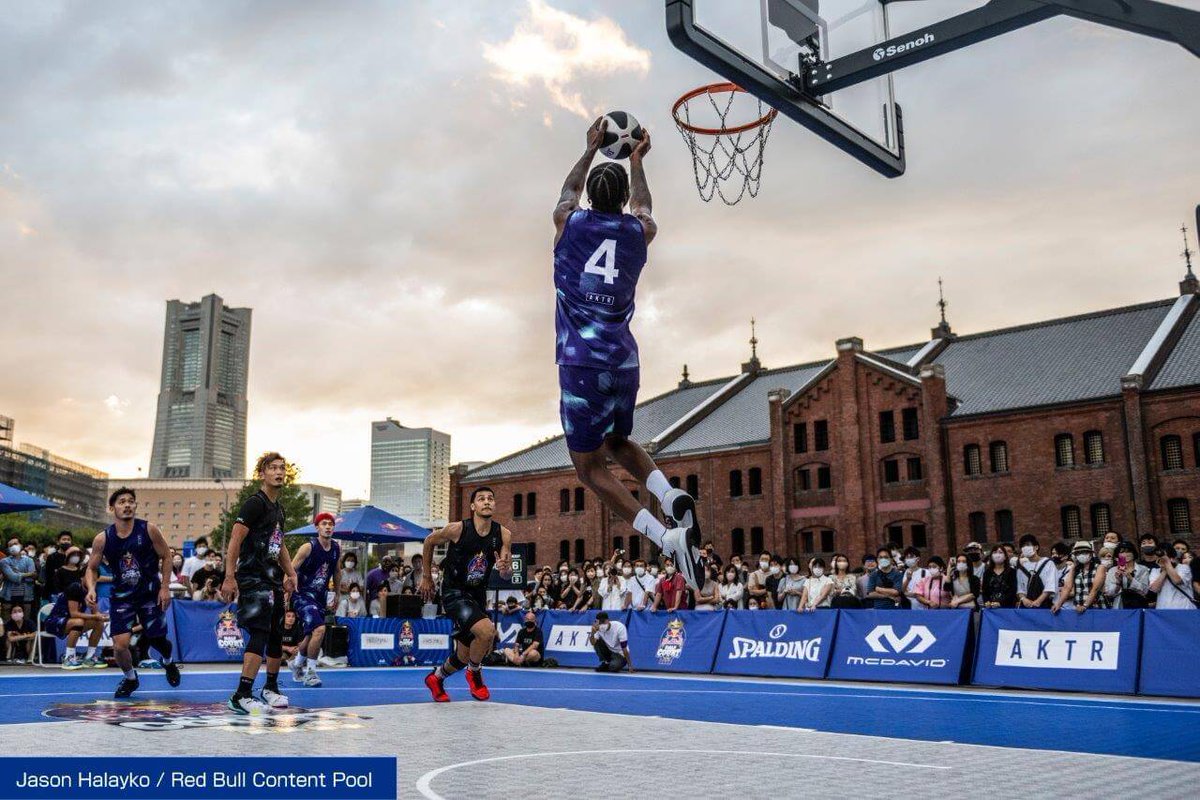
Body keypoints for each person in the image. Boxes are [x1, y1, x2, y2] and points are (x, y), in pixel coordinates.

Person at [552, 117, 703, 590]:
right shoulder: (639, 232)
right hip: (623, 361)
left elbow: (566, 193)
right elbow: (644, 205)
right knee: (618, 442)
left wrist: (590, 149)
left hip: (581, 364)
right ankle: (668, 493)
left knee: (589, 466)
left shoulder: (570, 225)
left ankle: (664, 537)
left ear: (589, 198)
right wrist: (637, 159)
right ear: (622, 202)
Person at [220, 452, 299, 714]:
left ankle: (271, 688)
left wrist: (290, 573)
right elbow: (234, 540)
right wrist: (229, 577)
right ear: (262, 473)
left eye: (282, 468)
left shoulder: (279, 508)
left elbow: (280, 543)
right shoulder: (255, 504)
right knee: (260, 633)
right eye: (272, 468)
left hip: (273, 578)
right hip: (253, 578)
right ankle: (241, 695)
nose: (278, 472)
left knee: (277, 634)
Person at [84, 487, 180, 698]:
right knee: (120, 646)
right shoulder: (103, 538)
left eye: (130, 501)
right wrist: (91, 588)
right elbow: (91, 568)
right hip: (122, 596)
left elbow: (166, 556)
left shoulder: (149, 530)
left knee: (158, 640)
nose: (127, 505)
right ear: (112, 508)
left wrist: (165, 587)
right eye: (121, 502)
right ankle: (130, 678)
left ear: (135, 505)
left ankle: (168, 662)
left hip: (149, 593)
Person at [421, 487, 513, 703]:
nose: (487, 502)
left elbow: (507, 574)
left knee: (464, 654)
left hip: (477, 594)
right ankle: (475, 673)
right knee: (487, 632)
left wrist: (504, 569)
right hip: (454, 592)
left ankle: (436, 678)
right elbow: (428, 542)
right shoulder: (457, 529)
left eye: (490, 499)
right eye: (481, 499)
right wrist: (426, 576)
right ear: (473, 506)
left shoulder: (503, 534)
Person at [288, 511, 341, 687]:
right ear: (317, 527)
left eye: (330, 524)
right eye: (324, 523)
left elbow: (337, 572)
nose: (328, 526)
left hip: (320, 596)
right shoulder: (308, 547)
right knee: (319, 629)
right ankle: (311, 672)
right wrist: (284, 593)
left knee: (312, 634)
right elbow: (291, 569)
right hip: (302, 595)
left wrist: (338, 594)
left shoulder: (336, 548)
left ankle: (295, 664)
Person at [42, 580, 106, 669]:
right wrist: (95, 616)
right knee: (78, 621)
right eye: (90, 578)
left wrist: (103, 617)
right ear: (83, 578)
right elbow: (74, 614)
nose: (92, 582)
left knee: (99, 623)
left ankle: (89, 657)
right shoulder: (75, 588)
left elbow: (96, 615)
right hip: (54, 622)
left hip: (71, 622)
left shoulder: (92, 592)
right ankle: (69, 658)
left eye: (94, 579)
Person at [1054, 540, 1108, 614]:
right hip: (1078, 608)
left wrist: (1085, 605)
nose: (1081, 555)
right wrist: (1058, 604)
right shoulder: (1074, 569)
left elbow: (1095, 589)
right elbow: (1067, 587)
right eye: (1078, 553)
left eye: (1084, 552)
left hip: (1097, 608)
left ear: (1091, 554)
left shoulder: (1100, 568)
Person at [1148, 539, 1197, 609]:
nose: (1161, 559)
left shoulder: (1184, 568)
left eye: (1164, 557)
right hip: (1163, 611)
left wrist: (1167, 562)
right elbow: (1154, 589)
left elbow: (1177, 581)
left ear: (1173, 558)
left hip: (1184, 609)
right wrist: (1164, 571)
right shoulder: (1155, 571)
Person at [1015, 534, 1056, 609]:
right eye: (1023, 546)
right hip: (1026, 606)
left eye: (1028, 545)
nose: (1025, 548)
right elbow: (1020, 588)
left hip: (1044, 605)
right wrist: (1024, 599)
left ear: (1036, 547)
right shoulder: (1021, 566)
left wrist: (1038, 601)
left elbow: (1050, 585)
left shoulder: (1048, 563)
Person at [1, 539, 35, 620]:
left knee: (25, 622)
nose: (14, 546)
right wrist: (28, 574)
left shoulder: (29, 560)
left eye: (15, 543)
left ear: (21, 545)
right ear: (8, 549)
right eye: (10, 545)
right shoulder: (4, 561)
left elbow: (32, 578)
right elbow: (13, 578)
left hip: (26, 596)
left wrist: (16, 573)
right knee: (7, 623)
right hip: (8, 596)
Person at [43, 531, 73, 597]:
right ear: (58, 542)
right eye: (64, 539)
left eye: (68, 540)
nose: (66, 541)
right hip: (54, 593)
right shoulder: (52, 557)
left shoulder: (73, 558)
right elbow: (49, 577)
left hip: (70, 593)